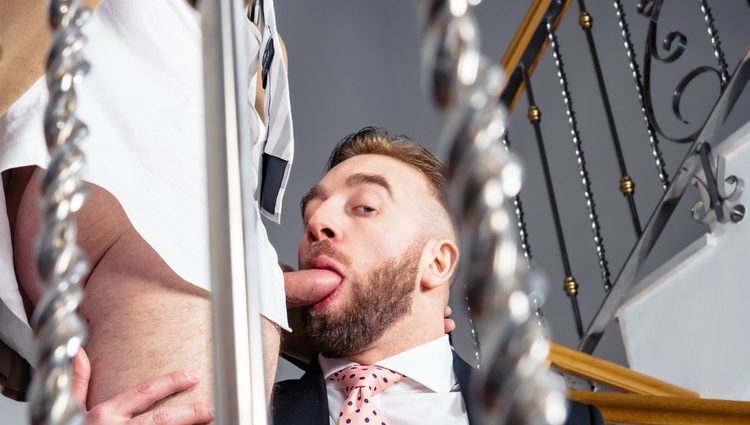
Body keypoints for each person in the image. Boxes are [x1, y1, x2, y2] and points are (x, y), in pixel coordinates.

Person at [272, 127, 605, 425]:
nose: (317, 223)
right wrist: (261, 308)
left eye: (365, 207)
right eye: (310, 214)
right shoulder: (250, 407)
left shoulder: (564, 421)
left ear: (437, 262)